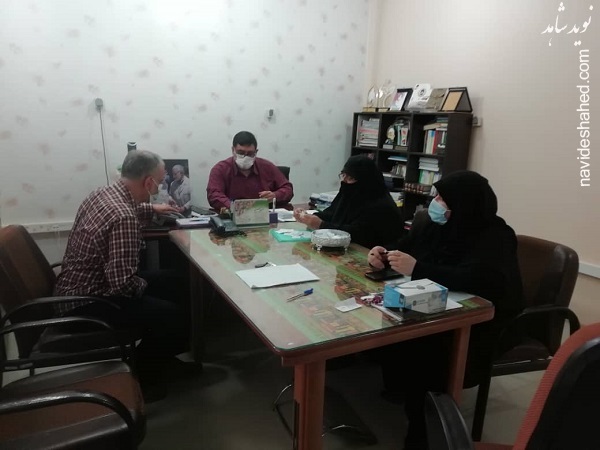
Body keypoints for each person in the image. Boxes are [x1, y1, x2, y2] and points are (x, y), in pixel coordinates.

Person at [367, 170, 523, 449]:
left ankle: (423, 431)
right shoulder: (436, 226)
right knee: (387, 321)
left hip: (483, 320)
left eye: (442, 198)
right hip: (434, 304)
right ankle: (400, 388)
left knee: (424, 347)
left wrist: (418, 268)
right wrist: (382, 253)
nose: (435, 203)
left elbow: (480, 280)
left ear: (464, 204)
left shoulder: (495, 236)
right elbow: (404, 247)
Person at [54, 150, 191, 401]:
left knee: (175, 281)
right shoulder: (124, 217)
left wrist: (153, 208)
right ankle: (143, 379)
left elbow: (131, 208)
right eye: (160, 181)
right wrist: (147, 285)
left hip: (71, 291)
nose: (160, 186)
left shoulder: (102, 194)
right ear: (148, 182)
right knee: (170, 314)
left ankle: (163, 359)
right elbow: (122, 284)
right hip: (88, 304)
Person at [293, 155, 403, 249]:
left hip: (371, 255)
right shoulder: (349, 193)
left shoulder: (381, 206)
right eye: (343, 175)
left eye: (350, 178)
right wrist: (308, 217)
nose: (344, 181)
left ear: (365, 180)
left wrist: (321, 224)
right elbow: (331, 213)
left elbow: (356, 234)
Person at [207, 131, 293, 210]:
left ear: (256, 152)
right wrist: (236, 207)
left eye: (250, 153)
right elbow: (214, 195)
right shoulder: (220, 169)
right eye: (241, 152)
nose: (245, 156)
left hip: (265, 214)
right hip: (233, 213)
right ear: (233, 150)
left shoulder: (267, 166)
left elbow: (288, 189)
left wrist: (275, 195)